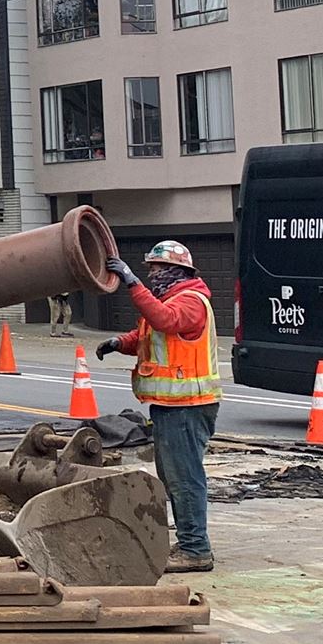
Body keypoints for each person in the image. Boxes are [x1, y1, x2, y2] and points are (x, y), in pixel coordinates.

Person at [102, 239, 219, 574]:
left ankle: (196, 549)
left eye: (155, 269)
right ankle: (189, 542)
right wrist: (120, 343)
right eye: (148, 270)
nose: (150, 275)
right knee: (174, 476)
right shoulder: (170, 300)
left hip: (188, 405)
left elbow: (166, 321)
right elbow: (153, 335)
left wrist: (132, 283)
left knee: (185, 478)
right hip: (173, 405)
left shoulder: (191, 302)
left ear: (175, 271)